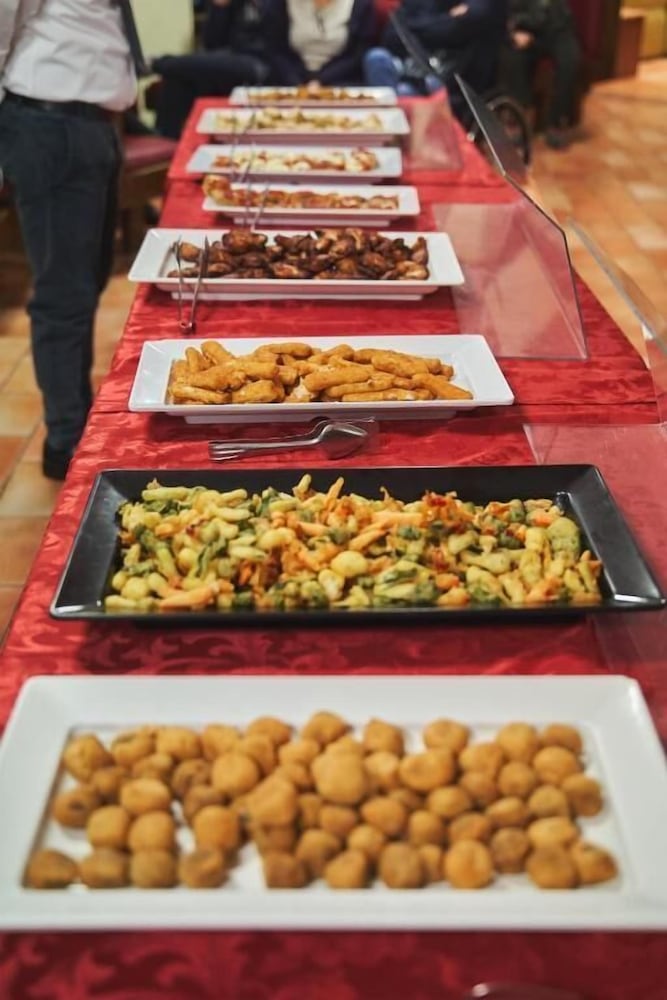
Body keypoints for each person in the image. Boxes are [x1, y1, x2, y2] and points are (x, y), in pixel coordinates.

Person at [0, 0, 137, 481]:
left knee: (86, 284)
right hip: (51, 123)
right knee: (63, 295)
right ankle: (67, 441)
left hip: (90, 123)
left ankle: (78, 424)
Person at [363, 0, 508, 122]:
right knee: (376, 58)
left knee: (406, 91)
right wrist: (445, 20)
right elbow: (392, 32)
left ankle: (397, 132)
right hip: (412, 65)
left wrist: (413, 26)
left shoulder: (486, 4)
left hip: (452, 80)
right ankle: (393, 131)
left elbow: (455, 29)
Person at [152, 0, 269, 139]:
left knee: (179, 67)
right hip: (231, 60)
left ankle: (157, 63)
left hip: (263, 63)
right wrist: (220, 7)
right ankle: (166, 141)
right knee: (176, 77)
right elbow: (211, 44)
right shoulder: (238, 4)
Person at [502, 0, 581, 148]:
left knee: (570, 61)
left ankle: (557, 121)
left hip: (558, 30)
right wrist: (513, 32)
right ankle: (519, 116)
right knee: (513, 57)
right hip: (524, 28)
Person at [262, 0, 376, 88]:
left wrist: (321, 80)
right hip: (289, 80)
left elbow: (358, 54)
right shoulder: (279, 3)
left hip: (343, 80)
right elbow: (276, 50)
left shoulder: (361, 4)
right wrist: (298, 83)